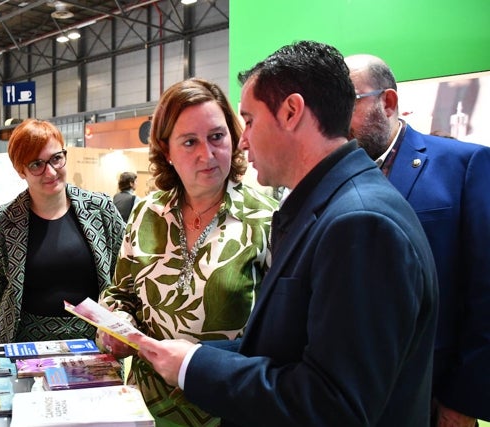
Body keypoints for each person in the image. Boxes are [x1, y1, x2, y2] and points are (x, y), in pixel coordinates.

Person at [127, 41, 439, 427]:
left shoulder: (358, 223)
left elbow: (332, 404)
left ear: (291, 112)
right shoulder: (331, 208)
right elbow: (288, 349)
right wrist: (194, 356)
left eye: (250, 121)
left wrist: (194, 365)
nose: (243, 140)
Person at [99, 78, 277, 426]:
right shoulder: (146, 213)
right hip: (146, 407)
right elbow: (120, 293)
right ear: (167, 150)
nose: (206, 154)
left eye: (217, 137)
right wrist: (115, 325)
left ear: (234, 137)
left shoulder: (267, 218)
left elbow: (279, 331)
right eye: (190, 141)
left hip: (228, 408)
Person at [345, 54, 490, 426]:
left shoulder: (464, 166)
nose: (338, 120)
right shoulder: (339, 177)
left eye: (349, 104)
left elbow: (485, 293)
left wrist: (465, 400)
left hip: (435, 394)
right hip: (353, 395)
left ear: (388, 102)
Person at [0, 118, 125, 344]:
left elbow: (124, 268)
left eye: (56, 158)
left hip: (94, 339)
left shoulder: (100, 208)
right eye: (36, 164)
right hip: (26, 341)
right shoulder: (2, 222)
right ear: (21, 170)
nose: (50, 172)